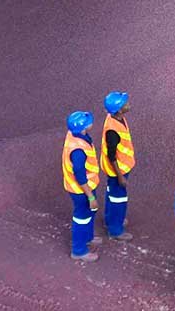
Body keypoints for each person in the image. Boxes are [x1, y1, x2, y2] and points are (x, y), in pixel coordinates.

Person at [62, 111, 101, 262]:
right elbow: (79, 175)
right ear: (83, 127)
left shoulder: (74, 135)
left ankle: (88, 237)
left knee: (89, 213)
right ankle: (79, 250)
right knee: (82, 217)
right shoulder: (78, 150)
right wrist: (90, 196)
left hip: (87, 186)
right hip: (81, 190)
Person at [100, 91, 135, 241]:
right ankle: (116, 229)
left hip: (117, 168)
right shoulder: (113, 130)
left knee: (111, 194)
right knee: (118, 199)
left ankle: (110, 220)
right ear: (119, 109)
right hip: (118, 169)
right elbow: (112, 155)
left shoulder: (116, 118)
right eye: (124, 103)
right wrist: (120, 176)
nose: (128, 103)